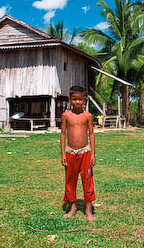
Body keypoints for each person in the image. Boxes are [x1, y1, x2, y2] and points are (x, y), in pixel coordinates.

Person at [60, 86, 96, 222]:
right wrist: (63, 154)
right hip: (70, 152)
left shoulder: (88, 116)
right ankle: (73, 207)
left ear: (84, 100)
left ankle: (88, 209)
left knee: (87, 180)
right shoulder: (66, 116)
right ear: (70, 100)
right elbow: (63, 134)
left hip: (85, 152)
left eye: (80, 99)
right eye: (74, 99)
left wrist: (93, 154)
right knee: (70, 180)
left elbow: (91, 134)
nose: (77, 102)